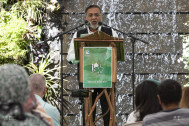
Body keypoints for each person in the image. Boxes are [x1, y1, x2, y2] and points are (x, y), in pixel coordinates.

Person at [67, 4, 118, 126]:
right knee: (88, 115)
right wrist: (85, 56)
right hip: (87, 79)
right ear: (86, 17)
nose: (94, 18)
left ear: (101, 17)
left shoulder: (111, 32)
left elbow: (118, 53)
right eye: (90, 15)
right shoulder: (78, 34)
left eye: (96, 15)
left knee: (108, 113)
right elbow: (70, 57)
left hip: (106, 78)